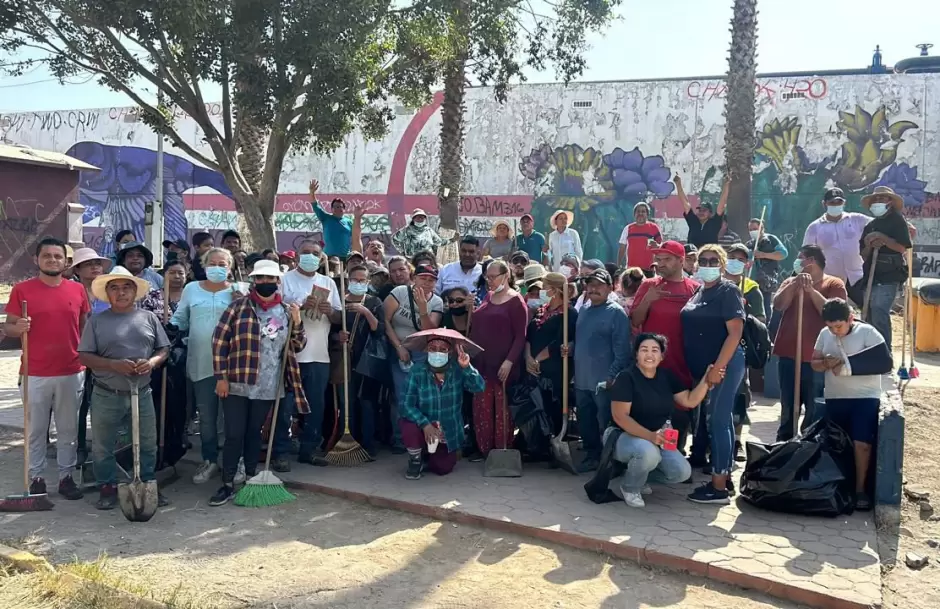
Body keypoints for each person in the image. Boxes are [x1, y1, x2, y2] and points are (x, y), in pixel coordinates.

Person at [208, 260, 306, 505]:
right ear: (254, 281)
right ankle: (227, 482)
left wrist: (298, 321)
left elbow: (297, 345)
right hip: (237, 382)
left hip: (269, 384)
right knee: (234, 434)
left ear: (277, 281)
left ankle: (250, 477)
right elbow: (219, 342)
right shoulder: (237, 307)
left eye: (269, 279)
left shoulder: (285, 311)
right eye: (260, 278)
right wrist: (221, 377)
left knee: (254, 433)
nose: (264, 282)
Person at [4, 237, 91, 501]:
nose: (53, 260)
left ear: (66, 262)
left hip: (71, 369)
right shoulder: (22, 290)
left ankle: (66, 477)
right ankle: (36, 477)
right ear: (36, 259)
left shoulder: (77, 291)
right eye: (47, 256)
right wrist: (17, 328)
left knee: (68, 429)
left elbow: (84, 325)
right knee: (36, 429)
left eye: (58, 256)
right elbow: (8, 326)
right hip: (34, 371)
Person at [78, 266, 170, 509]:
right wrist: (112, 365)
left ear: (135, 291)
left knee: (148, 442)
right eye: (115, 288)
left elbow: (164, 349)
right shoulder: (96, 321)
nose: (121, 293)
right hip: (107, 393)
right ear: (107, 294)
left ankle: (148, 484)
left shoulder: (149, 318)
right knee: (102, 444)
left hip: (143, 392)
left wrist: (151, 363)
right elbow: (84, 356)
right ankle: (107, 488)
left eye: (126, 287)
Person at [607, 333, 714, 508]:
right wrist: (650, 436)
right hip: (621, 436)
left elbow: (689, 400)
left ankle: (638, 475)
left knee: (681, 472)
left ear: (662, 356)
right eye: (644, 350)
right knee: (649, 453)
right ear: (636, 354)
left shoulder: (666, 376)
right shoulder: (626, 377)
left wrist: (706, 380)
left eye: (655, 350)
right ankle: (630, 487)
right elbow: (620, 417)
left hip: (658, 437)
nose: (649, 355)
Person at [812, 298, 893, 511]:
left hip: (865, 398)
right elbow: (814, 362)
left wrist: (848, 366)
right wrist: (825, 363)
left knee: (862, 444)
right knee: (837, 445)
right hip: (835, 397)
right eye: (830, 327)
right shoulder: (824, 334)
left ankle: (860, 490)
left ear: (850, 319)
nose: (835, 331)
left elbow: (883, 362)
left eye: (838, 326)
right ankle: (838, 487)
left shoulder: (868, 333)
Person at [680, 244, 746, 504]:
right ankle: (724, 476)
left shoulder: (727, 290)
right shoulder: (698, 291)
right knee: (720, 420)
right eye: (703, 260)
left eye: (713, 261)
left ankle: (718, 486)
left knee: (717, 420)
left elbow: (735, 333)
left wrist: (718, 368)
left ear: (721, 264)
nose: (707, 265)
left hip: (723, 365)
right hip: (705, 366)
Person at [171, 247, 241, 484]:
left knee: (232, 417)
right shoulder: (191, 289)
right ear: (204, 264)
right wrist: (168, 329)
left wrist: (241, 303)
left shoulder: (238, 290)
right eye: (213, 263)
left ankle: (233, 460)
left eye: (223, 264)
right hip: (201, 363)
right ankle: (210, 459)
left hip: (233, 365)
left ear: (230, 268)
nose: (218, 268)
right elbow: (181, 318)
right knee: (208, 418)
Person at [276, 239, 342, 469]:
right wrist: (299, 307)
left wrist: (330, 311)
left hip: (319, 355)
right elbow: (273, 313)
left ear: (322, 257)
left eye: (316, 253)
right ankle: (280, 452)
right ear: (296, 256)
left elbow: (338, 319)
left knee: (316, 405)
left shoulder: (328, 283)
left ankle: (309, 449)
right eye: (306, 252)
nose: (311, 256)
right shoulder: (284, 281)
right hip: (290, 354)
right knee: (285, 407)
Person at [771, 244, 847, 441]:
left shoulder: (833, 284)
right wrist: (794, 285)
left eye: (800, 258)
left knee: (814, 407)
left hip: (816, 357)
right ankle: (785, 442)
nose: (797, 262)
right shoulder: (790, 281)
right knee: (788, 404)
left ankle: (808, 444)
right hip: (789, 354)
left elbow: (834, 313)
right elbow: (779, 305)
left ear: (811, 261)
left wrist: (811, 290)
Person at [630, 241, 700, 453]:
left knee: (680, 413)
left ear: (681, 260)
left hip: (683, 364)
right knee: (648, 410)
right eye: (658, 259)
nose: (660, 264)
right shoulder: (648, 285)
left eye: (667, 259)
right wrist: (648, 300)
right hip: (652, 366)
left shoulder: (695, 289)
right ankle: (647, 457)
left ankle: (674, 456)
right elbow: (635, 321)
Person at [399, 333, 485, 479]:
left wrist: (467, 367)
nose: (437, 353)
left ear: (449, 352)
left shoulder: (457, 369)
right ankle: (415, 459)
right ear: (427, 350)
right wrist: (425, 424)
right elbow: (406, 405)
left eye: (442, 349)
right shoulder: (417, 371)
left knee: (442, 468)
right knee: (407, 423)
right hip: (423, 425)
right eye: (433, 348)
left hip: (447, 431)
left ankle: (428, 457)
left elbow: (479, 387)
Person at [468, 260, 528, 457]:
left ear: (506, 276)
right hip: (482, 364)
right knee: (482, 409)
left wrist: (510, 361)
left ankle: (502, 450)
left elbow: (521, 336)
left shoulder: (516, 301)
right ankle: (485, 450)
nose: (490, 280)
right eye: (488, 277)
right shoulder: (488, 297)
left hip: (504, 365)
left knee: (503, 411)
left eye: (493, 276)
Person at [572, 268, 629, 472]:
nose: (594, 289)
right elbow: (583, 341)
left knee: (607, 423)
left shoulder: (616, 313)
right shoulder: (584, 311)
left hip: (604, 381)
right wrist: (569, 348)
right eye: (590, 284)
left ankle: (612, 461)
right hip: (582, 380)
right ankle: (592, 456)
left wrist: (612, 376)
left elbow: (623, 351)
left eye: (599, 285)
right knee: (585, 421)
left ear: (610, 287)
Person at [384, 264, 444, 452]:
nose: (426, 283)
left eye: (431, 279)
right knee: (402, 394)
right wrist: (399, 346)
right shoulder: (400, 292)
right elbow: (385, 320)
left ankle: (420, 437)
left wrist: (423, 309)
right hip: (398, 348)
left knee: (421, 396)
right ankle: (400, 438)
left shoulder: (437, 302)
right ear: (414, 278)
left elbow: (429, 330)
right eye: (423, 278)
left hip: (422, 353)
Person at [334, 264, 386, 458]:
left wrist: (365, 311)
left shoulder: (374, 301)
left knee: (367, 402)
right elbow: (330, 332)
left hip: (367, 361)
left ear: (368, 281)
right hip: (344, 360)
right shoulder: (339, 302)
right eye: (355, 279)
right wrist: (338, 337)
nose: (358, 283)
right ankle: (347, 443)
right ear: (348, 280)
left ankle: (368, 444)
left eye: (362, 280)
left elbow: (379, 330)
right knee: (346, 402)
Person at [858, 186, 912, 351]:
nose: (877, 202)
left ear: (889, 202)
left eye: (881, 199)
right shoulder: (871, 224)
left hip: (889, 274)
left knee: (880, 310)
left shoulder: (897, 220)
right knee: (868, 313)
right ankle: (870, 350)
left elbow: (902, 247)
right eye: (875, 199)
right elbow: (863, 253)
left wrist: (883, 239)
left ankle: (884, 352)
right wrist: (869, 243)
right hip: (871, 274)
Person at [724, 244, 764, 461]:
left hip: (739, 350)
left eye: (740, 258)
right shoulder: (713, 283)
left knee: (739, 396)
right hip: (711, 347)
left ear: (747, 263)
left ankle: (737, 441)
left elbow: (761, 321)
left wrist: (744, 311)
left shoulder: (750, 287)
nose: (735, 261)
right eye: (731, 257)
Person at [525, 272, 577, 437]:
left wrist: (538, 360)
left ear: (554, 290)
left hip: (553, 370)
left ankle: (554, 442)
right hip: (532, 367)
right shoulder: (541, 310)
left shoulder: (569, 314)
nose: (541, 291)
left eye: (544, 288)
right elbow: (529, 336)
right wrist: (528, 358)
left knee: (552, 406)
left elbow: (560, 342)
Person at [802, 187, 870, 289]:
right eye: (832, 203)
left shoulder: (858, 220)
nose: (835, 205)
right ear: (824, 204)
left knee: (864, 304)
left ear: (844, 203)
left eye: (839, 202)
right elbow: (806, 254)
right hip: (830, 280)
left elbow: (878, 226)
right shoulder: (815, 227)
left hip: (858, 277)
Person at [309, 179, 364, 259]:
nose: (338, 208)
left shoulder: (349, 222)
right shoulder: (326, 218)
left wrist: (358, 217)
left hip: (345, 258)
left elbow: (357, 237)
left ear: (344, 210)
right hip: (328, 258)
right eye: (336, 207)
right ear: (331, 209)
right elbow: (315, 205)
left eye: (340, 207)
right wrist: (312, 192)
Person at [745, 218, 787, 320]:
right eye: (750, 229)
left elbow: (783, 254)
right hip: (751, 282)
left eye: (755, 228)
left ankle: (766, 330)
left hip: (767, 281)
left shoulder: (771, 240)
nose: (752, 231)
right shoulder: (749, 244)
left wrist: (763, 255)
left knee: (765, 307)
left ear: (762, 228)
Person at [676, 175, 728, 248]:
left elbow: (722, 205)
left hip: (709, 255)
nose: (701, 212)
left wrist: (726, 185)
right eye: (699, 210)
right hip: (692, 255)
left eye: (704, 210)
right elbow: (685, 203)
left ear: (710, 213)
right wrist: (678, 184)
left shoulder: (715, 222)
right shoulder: (693, 221)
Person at [392, 208, 457, 258]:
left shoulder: (429, 230)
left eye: (422, 217)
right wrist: (402, 251)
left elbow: (439, 242)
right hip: (412, 259)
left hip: (427, 259)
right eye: (418, 217)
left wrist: (452, 240)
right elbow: (394, 239)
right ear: (413, 218)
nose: (420, 218)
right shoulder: (406, 230)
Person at [617, 202, 662, 271]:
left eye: (643, 211)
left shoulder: (654, 227)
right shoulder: (628, 228)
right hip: (631, 269)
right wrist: (618, 264)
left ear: (647, 214)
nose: (640, 214)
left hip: (649, 269)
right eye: (638, 211)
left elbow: (661, 246)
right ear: (634, 214)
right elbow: (622, 248)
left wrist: (657, 246)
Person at [71, 247, 112, 315]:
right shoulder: (72, 292)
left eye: (98, 263)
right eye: (88, 264)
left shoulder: (109, 291)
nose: (94, 267)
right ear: (77, 270)